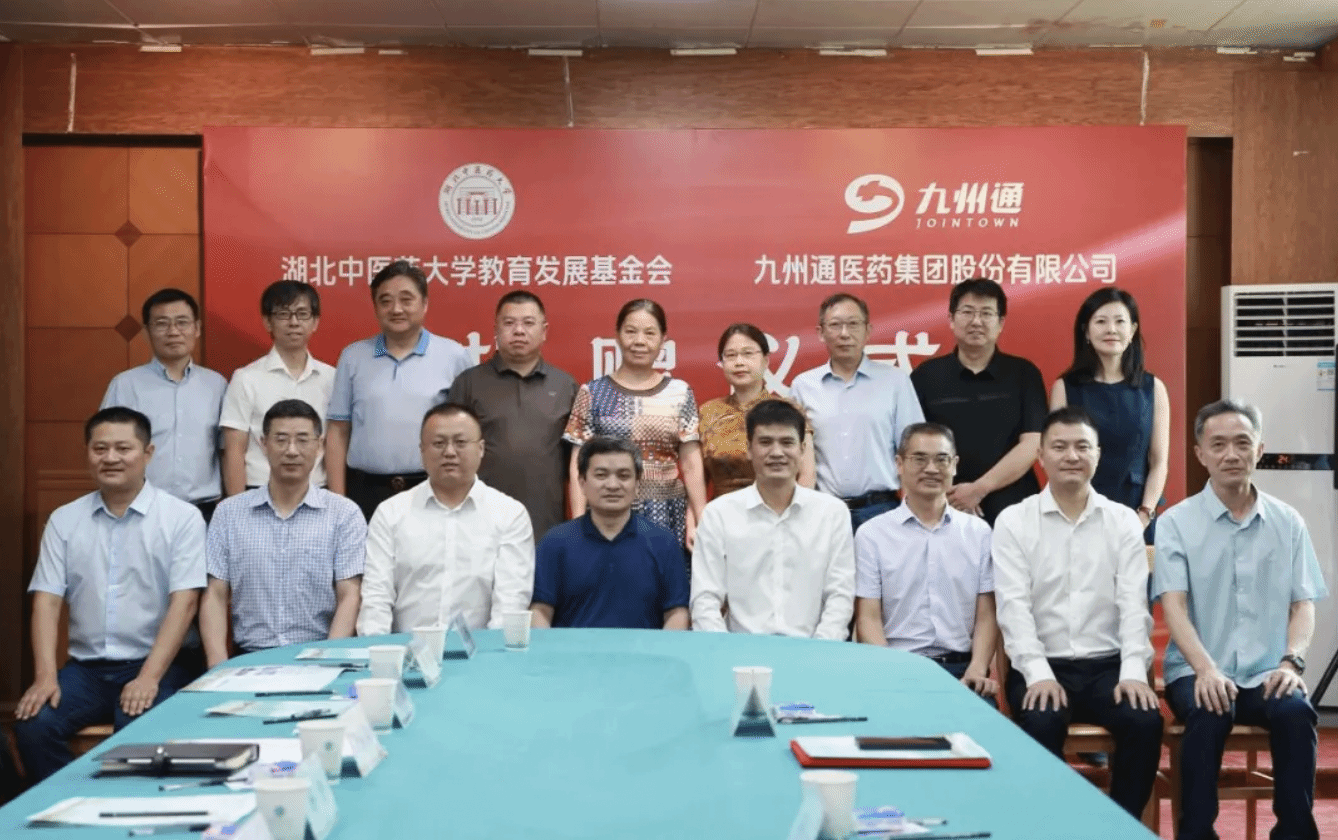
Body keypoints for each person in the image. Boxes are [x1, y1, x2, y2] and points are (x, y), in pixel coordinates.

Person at [1154, 400, 1327, 840]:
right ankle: (1196, 834)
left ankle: (1294, 833)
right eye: (1218, 445)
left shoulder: (1288, 522)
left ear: (1259, 450)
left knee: (1296, 713)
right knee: (1211, 709)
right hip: (1195, 670)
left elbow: (1303, 604)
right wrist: (1205, 669)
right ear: (1200, 454)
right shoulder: (1176, 522)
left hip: (1267, 670)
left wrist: (1291, 661)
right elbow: (1173, 606)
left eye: (1242, 443)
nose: (1231, 454)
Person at [13, 407, 206, 783]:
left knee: (137, 725)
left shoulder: (180, 518)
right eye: (100, 449)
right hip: (87, 671)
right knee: (34, 724)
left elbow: (185, 603)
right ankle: (69, 805)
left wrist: (148, 677)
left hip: (159, 664)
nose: (111, 458)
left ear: (148, 453)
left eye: (123, 448)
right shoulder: (65, 520)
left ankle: (121, 811)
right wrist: (45, 676)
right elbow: (47, 601)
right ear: (88, 453)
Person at [992, 406, 1162, 819]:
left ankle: (1120, 826)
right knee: (1041, 721)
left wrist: (1133, 672)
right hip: (1041, 664)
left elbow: (1134, 606)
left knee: (1144, 720)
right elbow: (1013, 608)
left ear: (1098, 455)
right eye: (1060, 447)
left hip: (1108, 667)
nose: (1072, 456)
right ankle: (1052, 826)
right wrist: (1037, 673)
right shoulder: (1014, 521)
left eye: (1082, 447)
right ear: (1041, 456)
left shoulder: (1123, 521)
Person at [200, 400, 366, 666]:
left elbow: (350, 594)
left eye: (302, 440)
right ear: (263, 444)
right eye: (281, 440)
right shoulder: (228, 514)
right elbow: (215, 594)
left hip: (318, 656)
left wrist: (328, 662)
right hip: (249, 659)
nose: (291, 450)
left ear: (320, 445)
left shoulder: (344, 514)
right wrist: (218, 665)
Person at [357, 403, 534, 634]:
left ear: (481, 448)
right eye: (439, 443)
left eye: (460, 442)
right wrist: (378, 649)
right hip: (407, 650)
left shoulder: (510, 514)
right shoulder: (391, 513)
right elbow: (376, 597)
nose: (449, 452)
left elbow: (510, 602)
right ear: (422, 450)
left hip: (481, 652)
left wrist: (492, 654)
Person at [854, 422, 998, 705]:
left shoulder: (979, 533)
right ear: (899, 464)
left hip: (961, 669)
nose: (931, 469)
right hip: (897, 667)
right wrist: (892, 672)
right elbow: (868, 618)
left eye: (941, 459)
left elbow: (986, 615)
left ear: (954, 465)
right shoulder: (872, 534)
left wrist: (977, 669)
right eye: (919, 459)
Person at [690, 399, 854, 639]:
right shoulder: (719, 514)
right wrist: (725, 652)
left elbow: (840, 596)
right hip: (740, 651)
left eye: (787, 442)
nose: (777, 453)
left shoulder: (832, 514)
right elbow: (705, 599)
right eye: (765, 442)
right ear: (749, 449)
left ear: (802, 448)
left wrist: (819, 651)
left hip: (813, 650)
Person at [326, 260, 472, 520]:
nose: (396, 309)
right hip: (365, 491)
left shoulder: (454, 356)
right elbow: (338, 432)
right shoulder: (352, 357)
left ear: (424, 304)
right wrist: (338, 503)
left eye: (406, 299)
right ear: (375, 307)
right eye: (385, 301)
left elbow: (467, 434)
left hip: (433, 489)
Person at [564, 299, 706, 551]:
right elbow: (578, 466)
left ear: (663, 340)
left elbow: (691, 464)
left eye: (650, 333)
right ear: (617, 336)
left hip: (668, 514)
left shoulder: (679, 392)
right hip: (606, 513)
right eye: (631, 331)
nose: (639, 341)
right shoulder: (592, 393)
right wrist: (578, 523)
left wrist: (701, 518)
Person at [910, 278, 1045, 524]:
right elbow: (914, 447)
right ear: (951, 319)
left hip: (1014, 506)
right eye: (967, 312)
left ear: (1000, 322)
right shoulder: (926, 376)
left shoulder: (1024, 374)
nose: (976, 321)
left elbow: (1033, 443)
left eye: (986, 313)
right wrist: (950, 494)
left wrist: (979, 488)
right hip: (946, 505)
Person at [448, 291, 578, 540]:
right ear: (496, 330)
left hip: (546, 523)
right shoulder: (469, 384)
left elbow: (577, 463)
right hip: (479, 524)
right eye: (509, 323)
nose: (519, 331)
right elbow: (452, 453)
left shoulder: (565, 386)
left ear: (544, 331)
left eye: (528, 323)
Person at [790, 293, 924, 532]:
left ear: (868, 331)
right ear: (821, 333)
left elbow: (913, 449)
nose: (844, 333)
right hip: (823, 511)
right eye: (835, 325)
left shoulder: (895, 382)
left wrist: (913, 508)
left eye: (853, 324)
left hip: (881, 509)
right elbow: (795, 454)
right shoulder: (803, 386)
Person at [531, 437, 689, 630]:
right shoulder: (555, 543)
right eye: (601, 475)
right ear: (582, 483)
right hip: (573, 650)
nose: (612, 485)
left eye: (623, 476)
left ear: (637, 485)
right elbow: (540, 611)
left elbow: (677, 613)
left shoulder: (663, 543)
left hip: (643, 650)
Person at [1050, 287, 1169, 542]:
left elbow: (1159, 461)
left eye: (1120, 322)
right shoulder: (1065, 388)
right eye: (1101, 321)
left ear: (1132, 330)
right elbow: (1057, 458)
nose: (1111, 330)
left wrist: (1144, 515)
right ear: (1086, 331)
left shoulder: (1152, 388)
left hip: (1136, 513)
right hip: (1078, 514)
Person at [101, 288, 227, 520]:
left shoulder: (216, 385)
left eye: (182, 322)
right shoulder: (125, 385)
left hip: (203, 511)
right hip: (140, 508)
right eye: (162, 324)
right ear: (147, 331)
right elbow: (107, 449)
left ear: (197, 328)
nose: (173, 331)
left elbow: (225, 449)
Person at [220, 280, 335, 495]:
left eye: (302, 314)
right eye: (283, 314)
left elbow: (335, 445)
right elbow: (234, 450)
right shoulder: (246, 378)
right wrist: (237, 507)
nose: (294, 322)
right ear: (267, 322)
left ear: (315, 322)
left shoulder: (332, 378)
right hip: (259, 489)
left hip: (317, 490)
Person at [698, 322, 815, 497]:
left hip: (778, 507)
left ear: (766, 360)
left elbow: (807, 475)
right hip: (722, 510)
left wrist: (794, 511)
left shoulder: (789, 410)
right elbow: (698, 479)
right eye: (731, 355)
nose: (739, 362)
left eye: (748, 354)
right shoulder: (708, 412)